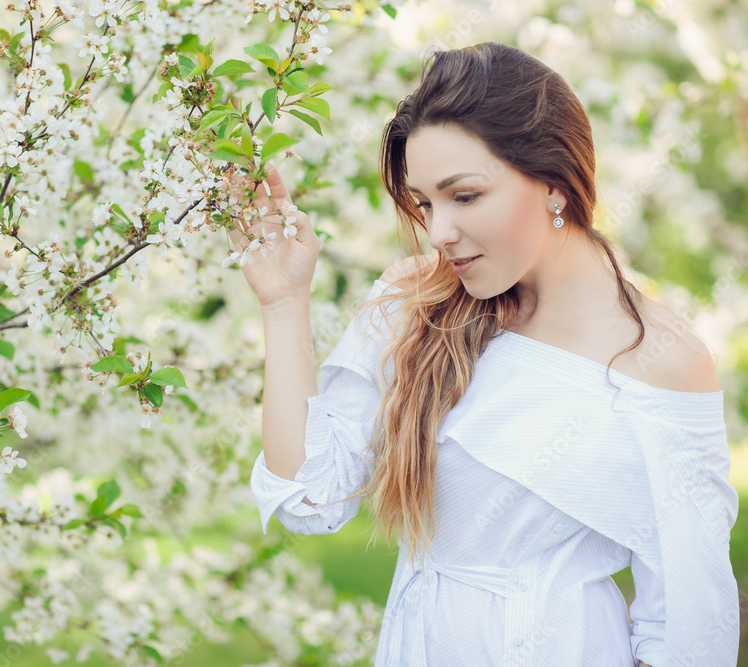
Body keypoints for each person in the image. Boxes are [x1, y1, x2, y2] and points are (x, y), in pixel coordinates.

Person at [225, 42, 740, 666]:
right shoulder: (417, 302)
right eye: (425, 204)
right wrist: (283, 304)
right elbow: (309, 497)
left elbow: (690, 629)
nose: (439, 232)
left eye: (463, 196)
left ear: (553, 183)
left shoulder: (658, 362)